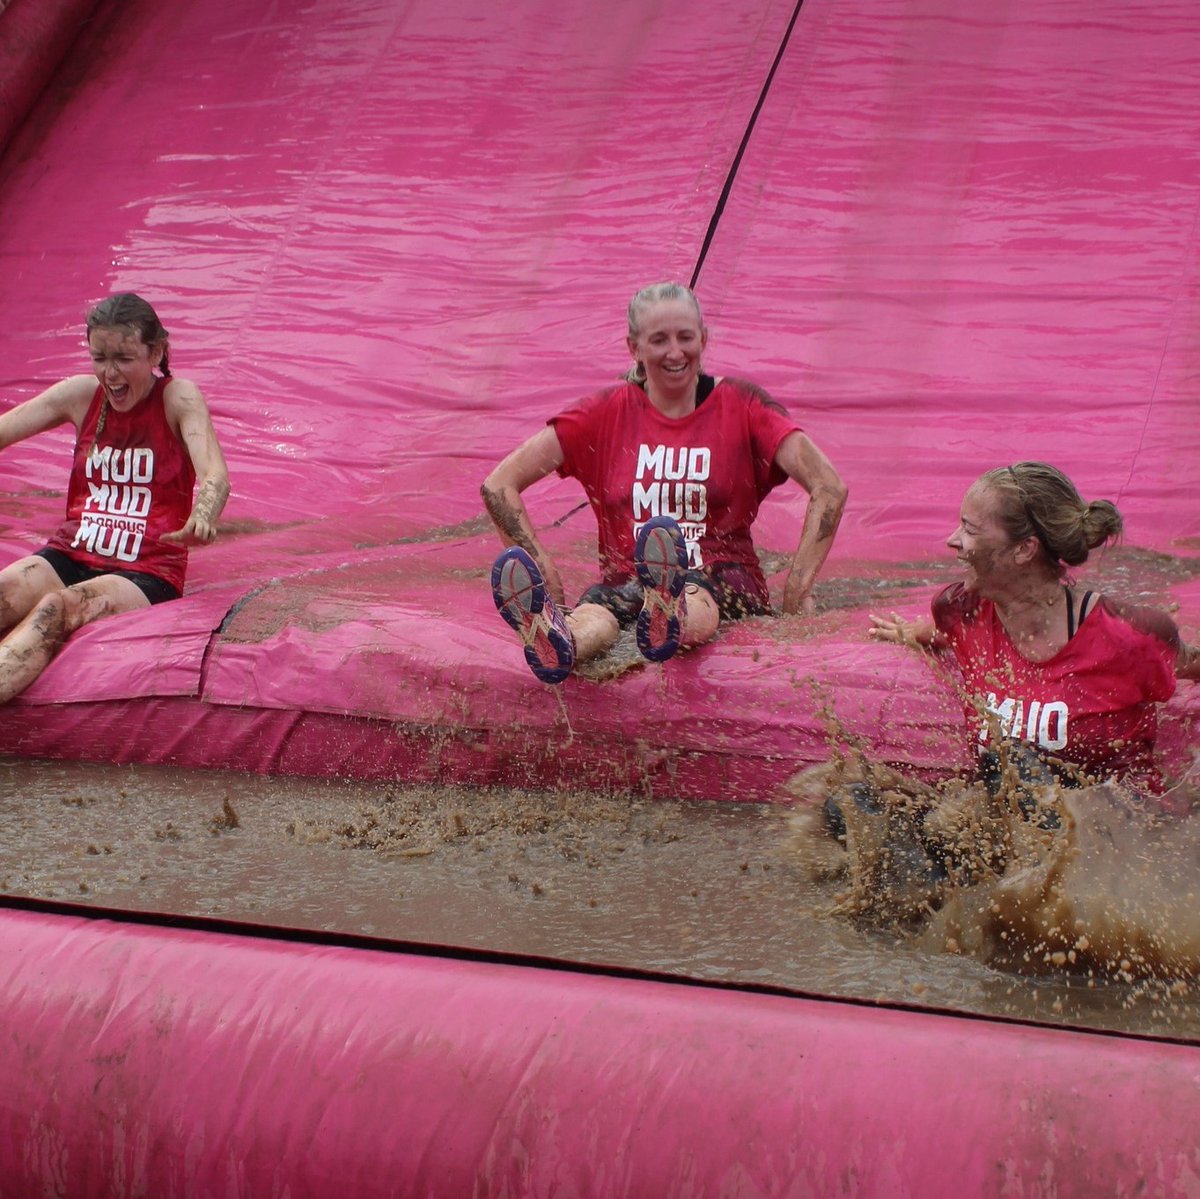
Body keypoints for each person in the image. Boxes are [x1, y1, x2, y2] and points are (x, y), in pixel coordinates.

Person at [481, 281, 847, 683]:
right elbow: (499, 484)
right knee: (598, 612)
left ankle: (669, 612)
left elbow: (828, 485)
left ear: (703, 339)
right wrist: (546, 573)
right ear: (634, 348)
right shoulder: (605, 414)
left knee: (696, 596)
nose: (675, 352)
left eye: (685, 337)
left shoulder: (743, 405)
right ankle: (557, 637)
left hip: (720, 579)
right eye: (659, 340)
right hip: (629, 583)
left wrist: (797, 591)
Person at [869, 462, 1200, 797]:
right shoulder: (960, 612)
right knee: (853, 805)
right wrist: (908, 634)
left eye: (969, 529)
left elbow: (1191, 662)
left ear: (1024, 549)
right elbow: (942, 634)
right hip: (1010, 820)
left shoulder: (1127, 635)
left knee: (1012, 764)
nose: (952, 540)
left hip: (1113, 825)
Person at [0, 293, 230, 704]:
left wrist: (204, 514)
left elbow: (214, 474)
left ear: (155, 351)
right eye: (99, 357)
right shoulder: (80, 394)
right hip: (72, 552)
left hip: (143, 571)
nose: (110, 373)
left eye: (123, 358)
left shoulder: (178, 398)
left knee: (60, 607)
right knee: (6, 587)